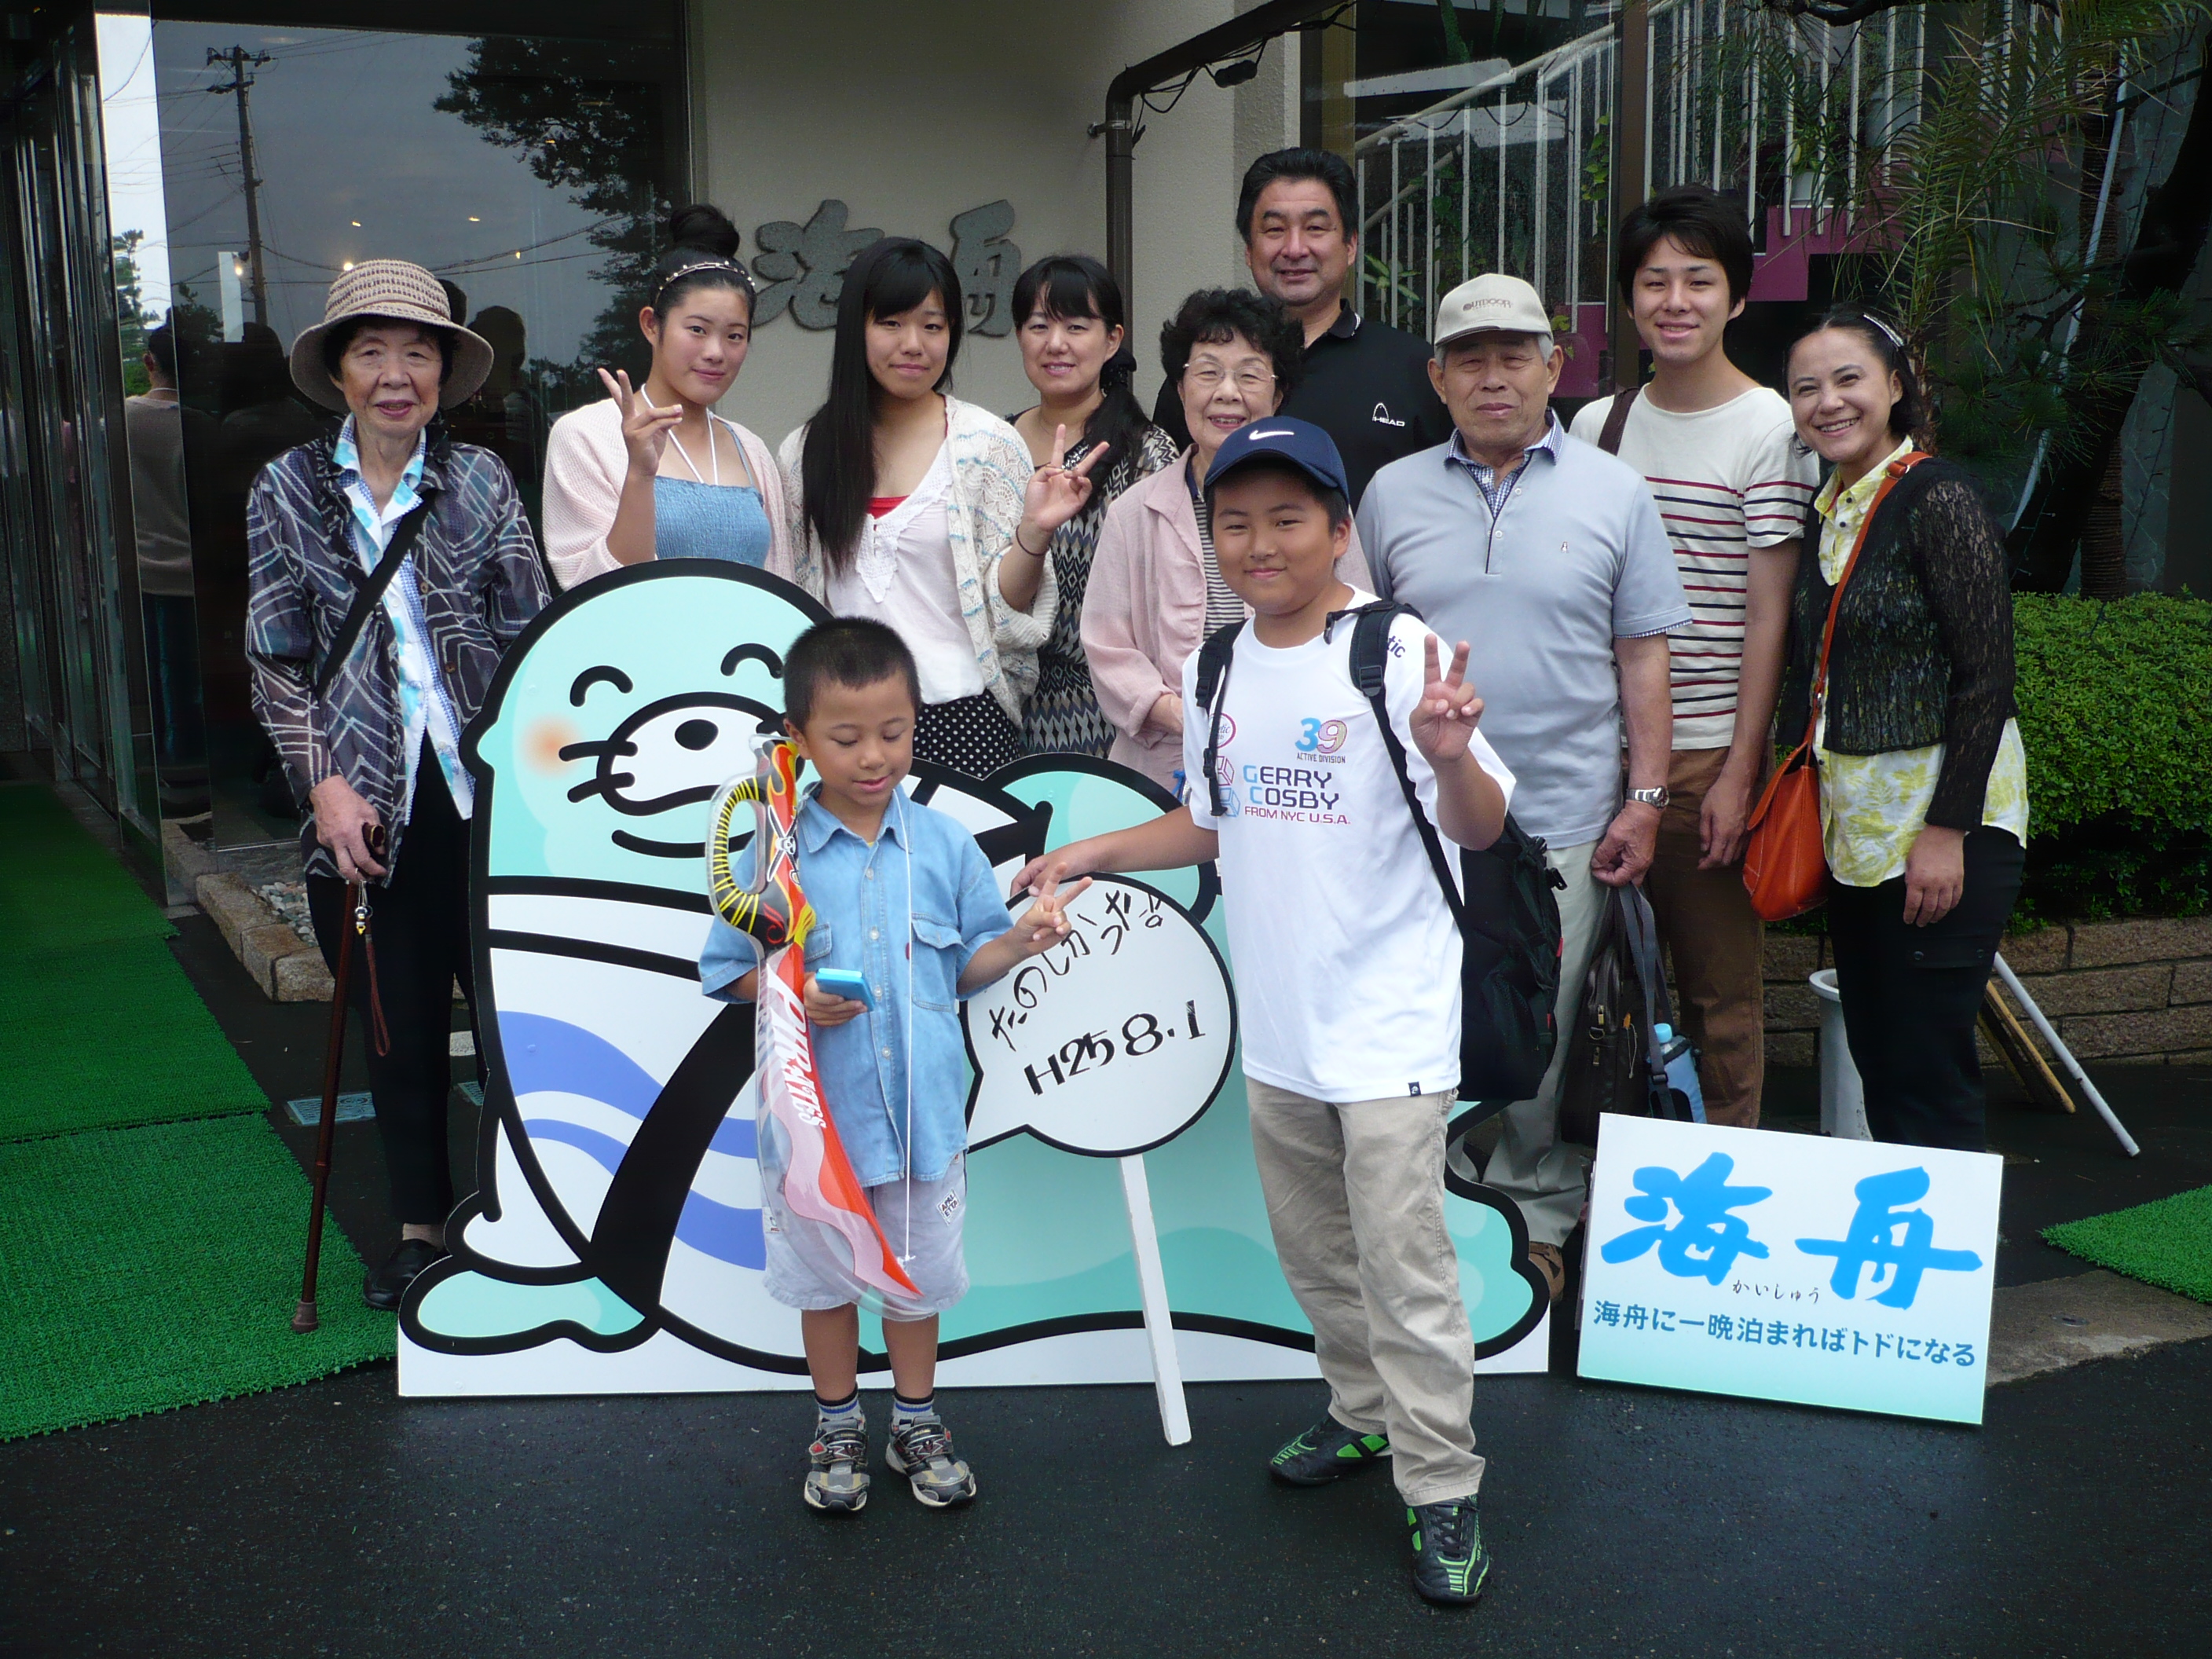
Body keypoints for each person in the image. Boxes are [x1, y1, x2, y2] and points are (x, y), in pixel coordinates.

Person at [1019, 419, 1514, 1606]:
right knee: (1316, 1251)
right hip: (1283, 1026)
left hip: (1390, 1027)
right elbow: (1212, 821)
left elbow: (1482, 825)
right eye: (1235, 522)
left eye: (1288, 518)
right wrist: (1091, 849)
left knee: (1405, 1267)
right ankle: (1360, 1412)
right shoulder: (1217, 666)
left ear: (1338, 529)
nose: (1260, 543)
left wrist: (1452, 757)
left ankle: (1442, 1486)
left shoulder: (1395, 650)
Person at [698, 618, 1090, 1513]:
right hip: (814, 1132)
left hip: (924, 1122)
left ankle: (917, 1419)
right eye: (845, 738)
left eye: (894, 731)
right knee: (825, 1286)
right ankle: (837, 1424)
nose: (873, 756)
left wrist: (1021, 941)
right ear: (797, 738)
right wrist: (792, 990)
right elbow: (726, 971)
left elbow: (971, 964)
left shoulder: (946, 845)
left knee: (915, 1285)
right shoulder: (772, 850)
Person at [1357, 273, 1690, 1302]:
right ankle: (1442, 1214)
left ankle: (1535, 1214)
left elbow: (1642, 654)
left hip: (1566, 816)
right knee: (1430, 1023)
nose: (1492, 377)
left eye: (1514, 356)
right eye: (1470, 358)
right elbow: (1358, 648)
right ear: (1437, 377)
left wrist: (1646, 798)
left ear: (1554, 367)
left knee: (1540, 1033)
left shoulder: (1614, 492)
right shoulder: (1390, 493)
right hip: (1424, 821)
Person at [246, 261, 551, 1307]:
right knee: (399, 1025)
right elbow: (275, 658)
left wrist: (538, 777)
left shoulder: (482, 481)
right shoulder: (287, 489)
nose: (395, 374)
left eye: (416, 352)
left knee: (517, 1021)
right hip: (362, 806)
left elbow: (530, 630)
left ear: (442, 372)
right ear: (338, 372)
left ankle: (532, 1214)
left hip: (486, 796)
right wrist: (323, 787)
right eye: (371, 352)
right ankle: (421, 1227)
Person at [1569, 186, 1820, 1130]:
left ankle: (1727, 1173)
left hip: (1706, 752)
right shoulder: (1596, 426)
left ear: (1736, 297)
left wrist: (1738, 771)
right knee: (1587, 989)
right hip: (1594, 753)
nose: (1674, 301)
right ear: (1629, 301)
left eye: (1698, 280)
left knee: (1718, 996)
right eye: (1653, 281)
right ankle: (1599, 1177)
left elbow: (1767, 616)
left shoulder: (1769, 428)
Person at [1781, 310, 2027, 1151]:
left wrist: (1946, 832)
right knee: (1884, 1063)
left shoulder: (1937, 498)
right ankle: (1904, 1232)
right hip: (1858, 839)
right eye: (1806, 388)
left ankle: (1953, 1238)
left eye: (1848, 379)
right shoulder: (1828, 510)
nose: (1828, 401)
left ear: (1895, 385)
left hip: (1939, 835)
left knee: (1927, 1072)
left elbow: (1986, 677)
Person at [779, 237, 1102, 777]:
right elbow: (793, 599)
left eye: (932, 326)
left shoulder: (988, 444)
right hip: (841, 732)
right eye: (891, 324)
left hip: (963, 719)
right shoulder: (804, 452)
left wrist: (1034, 532)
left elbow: (1008, 613)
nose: (913, 344)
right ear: (856, 328)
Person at [1083, 287, 1371, 790]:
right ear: (1180, 389)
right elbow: (1107, 645)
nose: (1227, 392)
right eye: (1208, 373)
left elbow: (1354, 618)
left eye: (1250, 375)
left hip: (1293, 758)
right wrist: (1182, 714)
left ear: (1277, 396)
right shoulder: (1134, 511)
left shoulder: (1317, 505)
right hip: (1162, 765)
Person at [1151, 147, 1449, 505]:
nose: (1294, 249)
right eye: (1275, 229)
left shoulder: (1413, 369)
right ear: (1248, 250)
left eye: (1315, 228)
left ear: (1351, 244)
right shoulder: (1200, 379)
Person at [544, 204, 793, 586]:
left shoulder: (751, 449)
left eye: (735, 336)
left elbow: (781, 589)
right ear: (651, 325)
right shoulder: (585, 435)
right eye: (697, 329)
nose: (716, 352)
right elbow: (591, 592)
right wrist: (640, 476)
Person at [1005, 254, 1180, 756]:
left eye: (1076, 326)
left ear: (1112, 340)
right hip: (1001, 705)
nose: (1055, 343)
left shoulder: (1146, 454)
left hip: (1106, 712)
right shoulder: (993, 442)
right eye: (1039, 325)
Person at [123, 321, 214, 814]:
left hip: (143, 570)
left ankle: (171, 776)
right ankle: (192, 776)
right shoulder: (202, 423)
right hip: (200, 573)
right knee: (193, 680)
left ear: (149, 362)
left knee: (160, 679)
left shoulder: (120, 419)